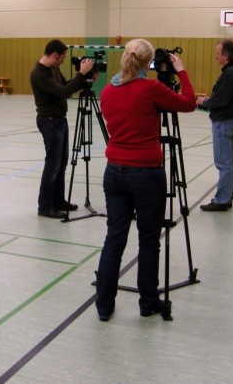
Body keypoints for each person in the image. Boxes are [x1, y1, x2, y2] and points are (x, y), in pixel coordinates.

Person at [95, 38, 197, 321]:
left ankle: (104, 304)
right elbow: (188, 103)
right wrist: (181, 72)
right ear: (147, 63)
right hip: (146, 172)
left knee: (114, 239)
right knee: (149, 240)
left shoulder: (107, 91)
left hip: (114, 170)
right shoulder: (151, 88)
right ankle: (148, 302)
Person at [30, 39, 96, 219]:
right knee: (53, 165)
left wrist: (84, 80)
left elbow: (67, 85)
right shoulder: (39, 73)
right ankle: (45, 206)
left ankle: (58, 200)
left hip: (59, 120)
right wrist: (81, 75)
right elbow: (63, 92)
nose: (62, 61)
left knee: (61, 163)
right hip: (49, 121)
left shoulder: (53, 69)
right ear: (54, 55)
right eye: (62, 58)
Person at [196, 39, 233, 212]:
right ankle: (227, 196)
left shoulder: (230, 74)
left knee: (224, 164)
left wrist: (204, 102)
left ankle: (222, 199)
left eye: (218, 53)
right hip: (230, 122)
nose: (215, 56)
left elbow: (221, 101)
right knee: (230, 163)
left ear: (225, 56)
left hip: (224, 123)